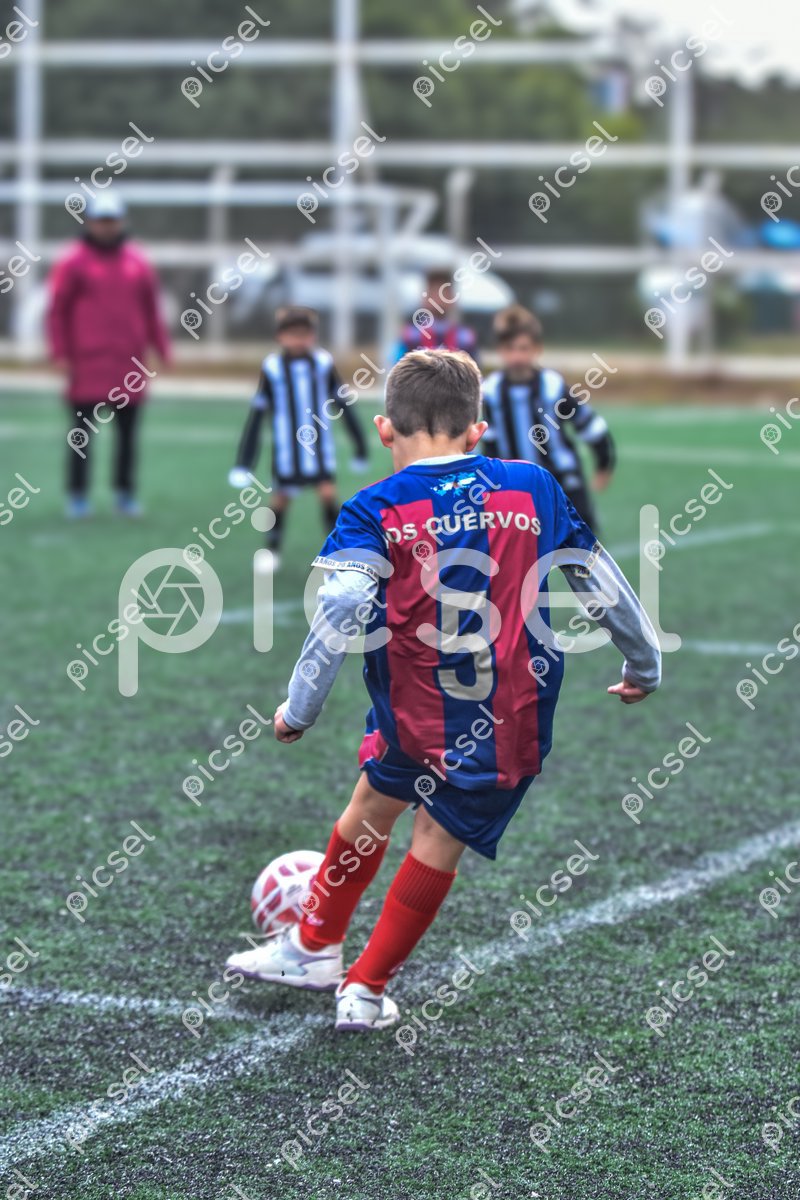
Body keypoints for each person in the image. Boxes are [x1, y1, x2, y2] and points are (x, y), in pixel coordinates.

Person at [226, 349, 661, 1032]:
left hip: (411, 711)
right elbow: (594, 577)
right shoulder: (532, 486)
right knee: (431, 835)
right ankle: (356, 984)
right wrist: (644, 662)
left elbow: (341, 606)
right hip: (508, 718)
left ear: (384, 429)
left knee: (372, 804)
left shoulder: (373, 509)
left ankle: (321, 953)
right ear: (477, 430)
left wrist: (299, 707)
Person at [47, 190, 171, 518]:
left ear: (122, 221)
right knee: (80, 435)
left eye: (112, 220)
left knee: (128, 435)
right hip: (88, 363)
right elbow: (57, 310)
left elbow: (151, 309)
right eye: (101, 220)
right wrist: (60, 353)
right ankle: (78, 495)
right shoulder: (73, 261)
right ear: (89, 222)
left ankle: (124, 493)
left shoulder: (137, 261)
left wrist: (162, 349)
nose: (107, 226)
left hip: (128, 363)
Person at [229, 306, 368, 569]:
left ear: (313, 336)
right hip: (287, 450)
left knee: (327, 494)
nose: (298, 340)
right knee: (280, 499)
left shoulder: (323, 364)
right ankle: (272, 550)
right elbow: (257, 415)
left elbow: (343, 404)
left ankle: (340, 551)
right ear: (280, 336)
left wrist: (360, 446)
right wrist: (244, 463)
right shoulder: (273, 368)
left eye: (304, 334)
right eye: (292, 334)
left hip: (319, 449)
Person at [482, 305, 615, 530]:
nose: (517, 357)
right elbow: (490, 442)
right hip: (515, 486)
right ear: (500, 350)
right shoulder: (492, 390)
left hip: (562, 482)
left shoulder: (552, 386)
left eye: (523, 348)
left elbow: (590, 426)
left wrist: (604, 462)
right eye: (510, 348)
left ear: (537, 349)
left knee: (581, 545)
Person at [392, 268, 479, 364]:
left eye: (444, 293)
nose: (438, 299)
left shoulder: (465, 337)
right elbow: (396, 366)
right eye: (433, 293)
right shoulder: (411, 335)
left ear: (452, 298)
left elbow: (475, 368)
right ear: (425, 298)